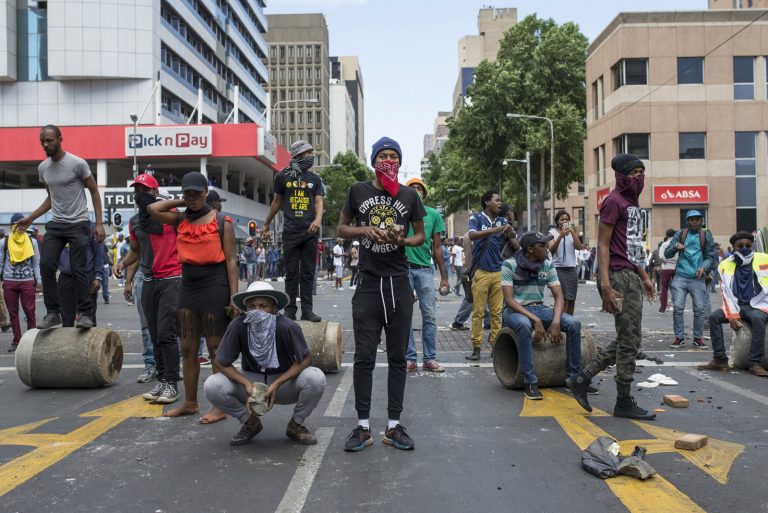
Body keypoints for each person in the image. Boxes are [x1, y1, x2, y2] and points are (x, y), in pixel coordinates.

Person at [337, 137, 426, 452]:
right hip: (369, 283)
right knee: (363, 357)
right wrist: (364, 231)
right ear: (374, 161)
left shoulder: (409, 196)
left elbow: (420, 234)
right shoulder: (358, 191)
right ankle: (362, 426)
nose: (388, 161)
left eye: (393, 157)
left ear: (400, 162)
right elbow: (341, 228)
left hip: (399, 283)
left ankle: (393, 425)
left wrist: (404, 241)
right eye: (383, 156)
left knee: (398, 357)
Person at [566, 153, 657, 420]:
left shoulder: (632, 204)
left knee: (630, 338)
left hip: (630, 274)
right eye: (632, 173)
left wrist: (645, 276)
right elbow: (603, 246)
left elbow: (632, 247)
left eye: (641, 172)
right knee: (629, 340)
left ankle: (583, 378)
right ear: (620, 176)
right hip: (616, 276)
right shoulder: (613, 202)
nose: (638, 178)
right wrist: (605, 285)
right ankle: (623, 399)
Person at [148, 172, 238, 423]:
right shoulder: (180, 220)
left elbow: (231, 261)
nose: (192, 198)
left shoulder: (222, 221)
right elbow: (153, 208)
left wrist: (234, 297)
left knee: (214, 348)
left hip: (214, 285)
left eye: (196, 194)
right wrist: (182, 201)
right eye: (188, 193)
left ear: (206, 193)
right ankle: (190, 402)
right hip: (188, 286)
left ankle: (220, 406)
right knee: (187, 348)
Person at [204, 281, 326, 446]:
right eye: (252, 306)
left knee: (316, 378)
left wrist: (278, 383)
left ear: (274, 307)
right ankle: (250, 423)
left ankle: (296, 424)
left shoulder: (287, 327)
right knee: (212, 385)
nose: (257, 311)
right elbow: (221, 361)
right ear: (246, 308)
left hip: (284, 382)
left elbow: (305, 359)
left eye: (263, 306)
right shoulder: (239, 325)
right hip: (251, 380)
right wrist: (246, 384)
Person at [15, 125, 105, 329]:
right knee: (46, 264)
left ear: (59, 139)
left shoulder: (77, 164)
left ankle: (84, 314)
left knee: (78, 268)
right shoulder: (43, 168)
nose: (45, 144)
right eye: (42, 141)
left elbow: (94, 191)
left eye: (49, 140)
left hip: (79, 222)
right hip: (57, 223)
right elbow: (51, 198)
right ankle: (53, 313)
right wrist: (30, 218)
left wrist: (98, 223)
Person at [119, 173, 182, 401]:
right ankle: (163, 381)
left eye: (144, 190)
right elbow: (136, 250)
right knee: (154, 336)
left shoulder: (172, 217)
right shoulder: (135, 221)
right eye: (136, 190)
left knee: (166, 333)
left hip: (172, 279)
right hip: (148, 281)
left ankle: (172, 383)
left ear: (155, 193)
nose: (139, 194)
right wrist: (122, 264)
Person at [502, 232, 582, 399]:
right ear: (530, 249)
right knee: (524, 325)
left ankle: (573, 378)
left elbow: (559, 296)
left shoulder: (547, 264)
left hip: (540, 308)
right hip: (515, 310)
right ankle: (530, 381)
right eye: (542, 245)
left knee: (573, 323)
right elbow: (509, 300)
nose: (547, 248)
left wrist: (556, 321)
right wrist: (535, 320)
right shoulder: (509, 264)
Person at [262, 140, 324, 322]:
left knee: (308, 273)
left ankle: (307, 310)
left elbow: (319, 201)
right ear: (298, 155)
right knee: (291, 273)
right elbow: (277, 202)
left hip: (310, 232)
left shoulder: (314, 179)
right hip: (290, 232)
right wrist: (266, 223)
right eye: (308, 153)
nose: (311, 156)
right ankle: (290, 310)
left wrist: (318, 219)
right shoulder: (282, 177)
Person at [698, 231, 768, 377]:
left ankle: (755, 363)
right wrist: (732, 315)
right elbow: (726, 293)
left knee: (758, 319)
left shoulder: (764, 259)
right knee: (714, 317)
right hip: (736, 305)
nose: (744, 248)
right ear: (733, 248)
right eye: (740, 246)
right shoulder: (725, 265)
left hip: (758, 304)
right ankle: (720, 359)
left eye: (748, 245)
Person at [403, 177, 449, 373]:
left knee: (429, 315)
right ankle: (410, 358)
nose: (416, 190)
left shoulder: (432, 215)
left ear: (424, 192)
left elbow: (437, 247)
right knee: (404, 316)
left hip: (424, 270)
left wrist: (444, 278)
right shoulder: (400, 213)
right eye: (412, 188)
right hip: (403, 270)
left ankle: (429, 358)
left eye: (419, 188)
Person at [465, 191, 513, 361]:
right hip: (481, 271)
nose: (500, 203)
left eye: (501, 200)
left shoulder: (503, 220)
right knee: (478, 312)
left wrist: (510, 232)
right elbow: (471, 235)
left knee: (496, 313)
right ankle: (476, 348)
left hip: (498, 271)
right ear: (487, 202)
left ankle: (495, 347)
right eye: (497, 200)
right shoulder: (476, 218)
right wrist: (495, 230)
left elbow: (514, 243)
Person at [664, 210, 715, 349]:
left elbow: (710, 256)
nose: (695, 222)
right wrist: (675, 246)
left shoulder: (706, 235)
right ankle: (679, 338)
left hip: (698, 278)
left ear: (701, 221)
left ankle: (698, 338)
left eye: (697, 219)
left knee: (699, 309)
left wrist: (704, 268)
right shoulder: (680, 234)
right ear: (687, 221)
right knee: (678, 308)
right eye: (691, 219)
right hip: (680, 276)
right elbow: (667, 254)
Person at [0, 213, 41, 351]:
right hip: (9, 281)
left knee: (30, 311)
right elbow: (0, 262)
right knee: (13, 313)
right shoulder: (4, 242)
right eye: (16, 225)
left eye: (22, 224)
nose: (20, 227)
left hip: (27, 281)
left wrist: (39, 279)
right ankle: (17, 340)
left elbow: (36, 263)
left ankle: (31, 341)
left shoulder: (32, 242)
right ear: (12, 226)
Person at [58, 221, 103, 327]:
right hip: (66, 276)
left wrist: (98, 276)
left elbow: (99, 253)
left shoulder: (93, 228)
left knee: (88, 317)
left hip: (86, 276)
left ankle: (91, 343)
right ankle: (69, 343)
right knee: (66, 318)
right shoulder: (61, 226)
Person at [548, 210, 586, 316]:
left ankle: (570, 322)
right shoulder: (552, 233)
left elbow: (579, 247)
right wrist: (560, 236)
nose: (564, 221)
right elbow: (552, 249)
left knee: (572, 299)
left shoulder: (571, 233)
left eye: (566, 219)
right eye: (562, 219)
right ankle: (560, 323)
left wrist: (573, 233)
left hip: (572, 269)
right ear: (557, 221)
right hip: (559, 269)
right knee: (563, 299)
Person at [658, 229, 678, 313]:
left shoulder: (664, 244)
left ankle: (663, 308)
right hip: (676, 267)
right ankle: (677, 307)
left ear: (666, 235)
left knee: (664, 289)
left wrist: (666, 261)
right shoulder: (677, 244)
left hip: (666, 268)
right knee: (677, 288)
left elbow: (661, 256)